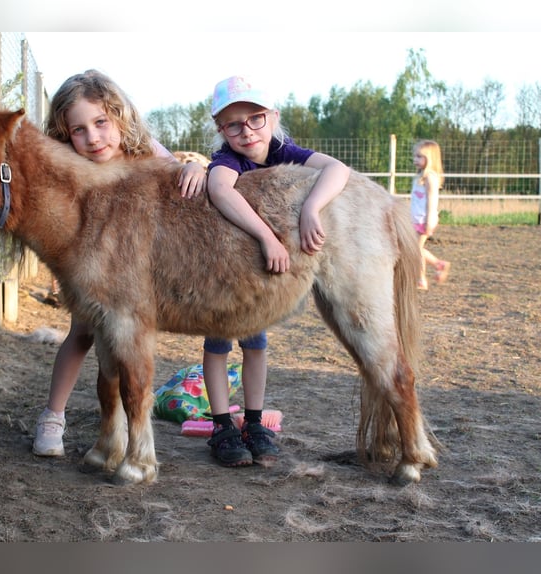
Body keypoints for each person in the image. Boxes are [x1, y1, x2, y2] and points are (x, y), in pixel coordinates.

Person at [33, 70, 206, 456]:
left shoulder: (141, 151)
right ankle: (53, 415)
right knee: (81, 334)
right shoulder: (69, 166)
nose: (93, 138)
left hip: (133, 272)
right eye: (78, 130)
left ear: (118, 117)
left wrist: (196, 167)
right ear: (65, 134)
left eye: (100, 123)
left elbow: (177, 169)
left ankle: (121, 427)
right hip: (92, 270)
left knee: (126, 342)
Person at [202, 76, 350, 467]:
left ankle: (253, 421)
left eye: (255, 119)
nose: (246, 131)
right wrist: (268, 238)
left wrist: (312, 207)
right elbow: (220, 190)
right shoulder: (228, 160)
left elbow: (337, 169)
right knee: (217, 344)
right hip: (224, 270)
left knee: (256, 343)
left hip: (259, 278)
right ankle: (221, 425)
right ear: (221, 129)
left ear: (272, 117)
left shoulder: (285, 151)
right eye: (233, 124)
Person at [410, 139, 450, 291]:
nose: (415, 160)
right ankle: (438, 264)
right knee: (416, 248)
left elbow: (432, 200)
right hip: (416, 218)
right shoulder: (420, 177)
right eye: (415, 156)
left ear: (430, 158)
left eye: (419, 157)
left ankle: (421, 279)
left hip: (423, 219)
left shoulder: (430, 177)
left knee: (416, 249)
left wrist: (430, 219)